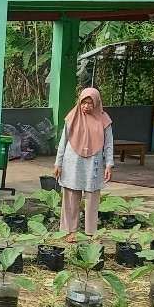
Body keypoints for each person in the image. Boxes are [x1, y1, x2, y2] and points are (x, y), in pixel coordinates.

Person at [54, 88, 114, 243]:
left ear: (97, 103)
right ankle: (70, 231)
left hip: (93, 163)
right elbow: (63, 142)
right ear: (79, 102)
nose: (86, 106)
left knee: (92, 198)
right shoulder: (72, 117)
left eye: (90, 103)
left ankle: (91, 232)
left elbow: (108, 144)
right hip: (72, 162)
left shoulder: (104, 120)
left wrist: (109, 164)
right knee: (71, 197)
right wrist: (58, 163)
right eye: (84, 102)